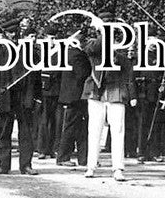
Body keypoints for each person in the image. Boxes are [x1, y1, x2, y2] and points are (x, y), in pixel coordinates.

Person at [0, 20, 40, 175]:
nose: (13, 35)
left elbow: (36, 74)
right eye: (10, 33)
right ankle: (3, 165)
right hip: (6, 97)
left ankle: (26, 165)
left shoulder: (28, 49)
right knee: (5, 131)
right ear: (5, 34)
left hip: (24, 96)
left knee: (26, 132)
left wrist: (37, 96)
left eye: (15, 32)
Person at [82, 35, 135, 182]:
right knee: (94, 130)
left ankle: (118, 168)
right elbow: (90, 49)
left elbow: (129, 74)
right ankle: (91, 165)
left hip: (116, 91)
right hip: (96, 92)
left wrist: (132, 94)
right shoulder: (94, 48)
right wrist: (103, 32)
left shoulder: (121, 53)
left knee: (117, 130)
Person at [55, 28, 91, 167]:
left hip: (70, 96)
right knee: (74, 127)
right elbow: (83, 74)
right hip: (77, 96)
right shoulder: (78, 55)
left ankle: (83, 158)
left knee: (77, 127)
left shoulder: (65, 53)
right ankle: (64, 157)